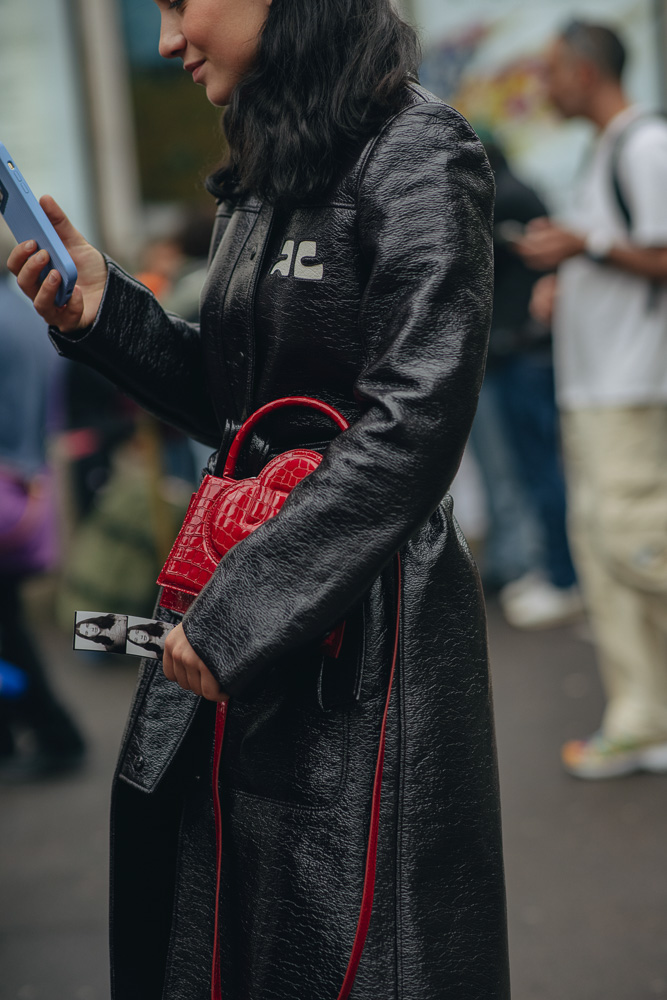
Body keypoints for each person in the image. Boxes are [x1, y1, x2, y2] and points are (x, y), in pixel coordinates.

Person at [8, 1, 509, 997]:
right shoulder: (266, 167)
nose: (164, 40)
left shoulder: (420, 153)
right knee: (225, 938)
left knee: (347, 953)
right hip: (245, 629)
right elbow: (245, 411)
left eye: (181, 4)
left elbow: (412, 426)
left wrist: (242, 608)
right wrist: (108, 314)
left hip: (364, 645)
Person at [518, 20, 667, 778]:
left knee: (640, 546)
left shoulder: (644, 144)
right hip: (594, 386)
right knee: (609, 558)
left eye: (550, 70)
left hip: (630, 386)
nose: (544, 86)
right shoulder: (603, 152)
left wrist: (584, 249)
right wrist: (564, 279)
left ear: (583, 71)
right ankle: (641, 719)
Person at [479, 138, 580, 629]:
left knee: (537, 469)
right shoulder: (520, 192)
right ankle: (555, 571)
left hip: (523, 356)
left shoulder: (508, 198)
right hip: (526, 355)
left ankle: (560, 576)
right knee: (535, 469)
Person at [0, 222, 86, 781]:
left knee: (10, 629)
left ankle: (55, 732)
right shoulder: (24, 319)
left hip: (5, 483)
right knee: (7, 619)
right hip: (26, 485)